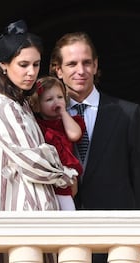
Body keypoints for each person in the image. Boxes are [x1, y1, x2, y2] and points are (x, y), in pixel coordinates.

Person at [0, 20, 77, 263]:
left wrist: (48, 156)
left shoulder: (24, 106)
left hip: (33, 220)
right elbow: (31, 160)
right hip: (9, 221)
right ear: (4, 66)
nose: (31, 72)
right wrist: (63, 173)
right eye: (23, 64)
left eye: (36, 65)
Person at [49, 32, 140, 263]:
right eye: (72, 64)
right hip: (60, 244)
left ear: (96, 65)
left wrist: (127, 231)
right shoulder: (43, 118)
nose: (80, 70)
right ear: (58, 70)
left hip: (116, 247)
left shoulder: (128, 114)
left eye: (86, 62)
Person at [30, 76, 86, 210]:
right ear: (37, 105)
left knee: (67, 210)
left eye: (60, 97)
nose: (56, 101)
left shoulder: (68, 122)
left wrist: (63, 112)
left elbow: (74, 135)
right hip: (46, 178)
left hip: (65, 178)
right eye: (49, 99)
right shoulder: (37, 125)